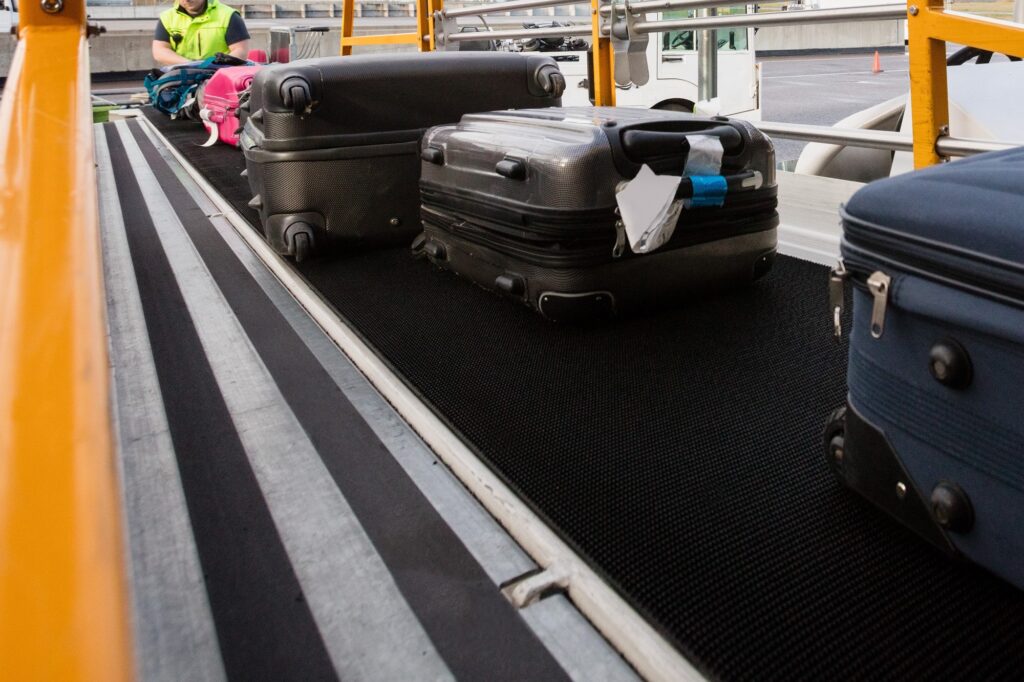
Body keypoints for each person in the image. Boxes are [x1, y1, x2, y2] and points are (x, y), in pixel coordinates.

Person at [152, 0, 250, 67]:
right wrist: (191, 65)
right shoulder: (167, 17)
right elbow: (160, 50)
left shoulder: (228, 15)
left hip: (219, 76)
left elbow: (240, 50)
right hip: (182, 77)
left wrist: (214, 67)